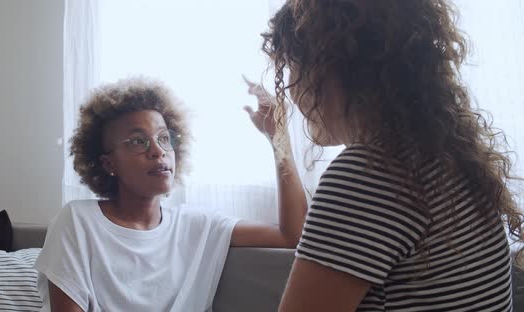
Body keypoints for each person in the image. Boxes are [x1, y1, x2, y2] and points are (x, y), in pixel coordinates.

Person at [258, 0, 524, 311]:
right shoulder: (447, 154)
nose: (288, 88)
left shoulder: (367, 175)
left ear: (328, 68)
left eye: (291, 66)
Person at [34, 77, 307, 311]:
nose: (158, 151)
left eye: (164, 138)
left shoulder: (197, 227)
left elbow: (292, 234)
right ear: (109, 164)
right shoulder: (77, 222)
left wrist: (278, 138)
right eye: (138, 141)